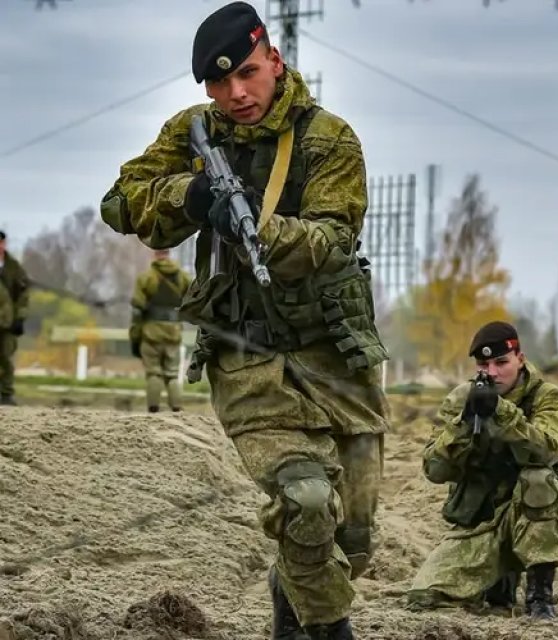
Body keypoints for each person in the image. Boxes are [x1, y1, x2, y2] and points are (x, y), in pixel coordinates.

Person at [97, 3, 389, 638]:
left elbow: (331, 241)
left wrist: (255, 222)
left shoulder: (328, 139)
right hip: (248, 358)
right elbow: (119, 202)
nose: (236, 94)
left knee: (353, 541)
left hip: (335, 357)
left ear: (275, 61)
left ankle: (291, 589)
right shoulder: (194, 131)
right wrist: (193, 198)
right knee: (307, 502)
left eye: (248, 74)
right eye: (218, 84)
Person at [407, 321, 558, 621]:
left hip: (531, 522)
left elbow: (548, 449)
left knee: (538, 480)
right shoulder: (462, 398)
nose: (493, 372)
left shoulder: (544, 396)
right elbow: (434, 469)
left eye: (502, 362)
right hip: (482, 523)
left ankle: (540, 594)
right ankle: (500, 580)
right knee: (423, 596)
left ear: (520, 360)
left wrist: (501, 412)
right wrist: (463, 424)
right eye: (484, 364)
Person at [129, 249, 193, 413]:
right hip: (174, 332)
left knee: (154, 373)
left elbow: (137, 311)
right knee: (172, 374)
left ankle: (153, 409)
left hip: (151, 333)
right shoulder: (183, 278)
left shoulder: (146, 278)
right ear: (169, 253)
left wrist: (135, 336)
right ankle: (177, 408)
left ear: (155, 255)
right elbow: (194, 299)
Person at [0, 231, 29, 407]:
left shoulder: (13, 268)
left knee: (6, 358)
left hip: (7, 321)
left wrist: (20, 318)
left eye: (1, 242)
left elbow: (23, 296)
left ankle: (6, 394)